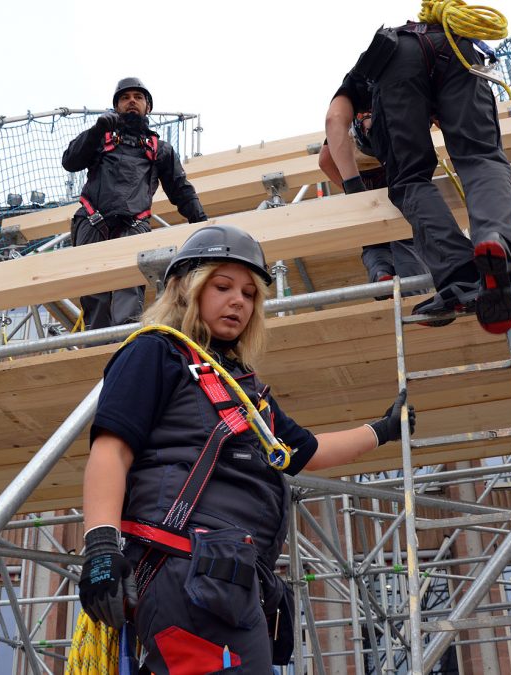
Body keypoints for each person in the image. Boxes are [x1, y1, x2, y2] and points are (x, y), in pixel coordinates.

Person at [77, 224, 415, 674]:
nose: (239, 300)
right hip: (185, 569)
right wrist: (100, 548)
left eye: (250, 293)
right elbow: (111, 450)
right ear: (186, 290)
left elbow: (303, 451)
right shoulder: (155, 352)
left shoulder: (240, 389)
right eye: (222, 286)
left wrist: (383, 430)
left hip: (227, 580)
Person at [363, 10, 511, 334]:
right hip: (456, 46)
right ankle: (496, 241)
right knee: (481, 157)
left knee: (409, 179)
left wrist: (353, 184)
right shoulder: (447, 32)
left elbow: (333, 121)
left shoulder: (359, 79)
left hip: (398, 57)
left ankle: (460, 275)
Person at [62, 77, 208, 330]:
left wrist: (202, 223)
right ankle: (97, 354)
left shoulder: (159, 149)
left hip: (133, 225)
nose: (132, 101)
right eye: (125, 97)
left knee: (128, 298)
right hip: (92, 221)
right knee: (95, 299)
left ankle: (125, 353)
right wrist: (97, 131)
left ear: (147, 107)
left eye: (138, 97)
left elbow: (180, 189)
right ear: (116, 106)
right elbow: (70, 161)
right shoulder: (100, 136)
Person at [320, 70, 428, 294]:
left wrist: (353, 189)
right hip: (388, 179)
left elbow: (325, 160)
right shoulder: (370, 111)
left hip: (368, 181)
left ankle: (381, 274)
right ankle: (414, 289)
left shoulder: (353, 115)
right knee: (404, 233)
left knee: (373, 241)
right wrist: (354, 188)